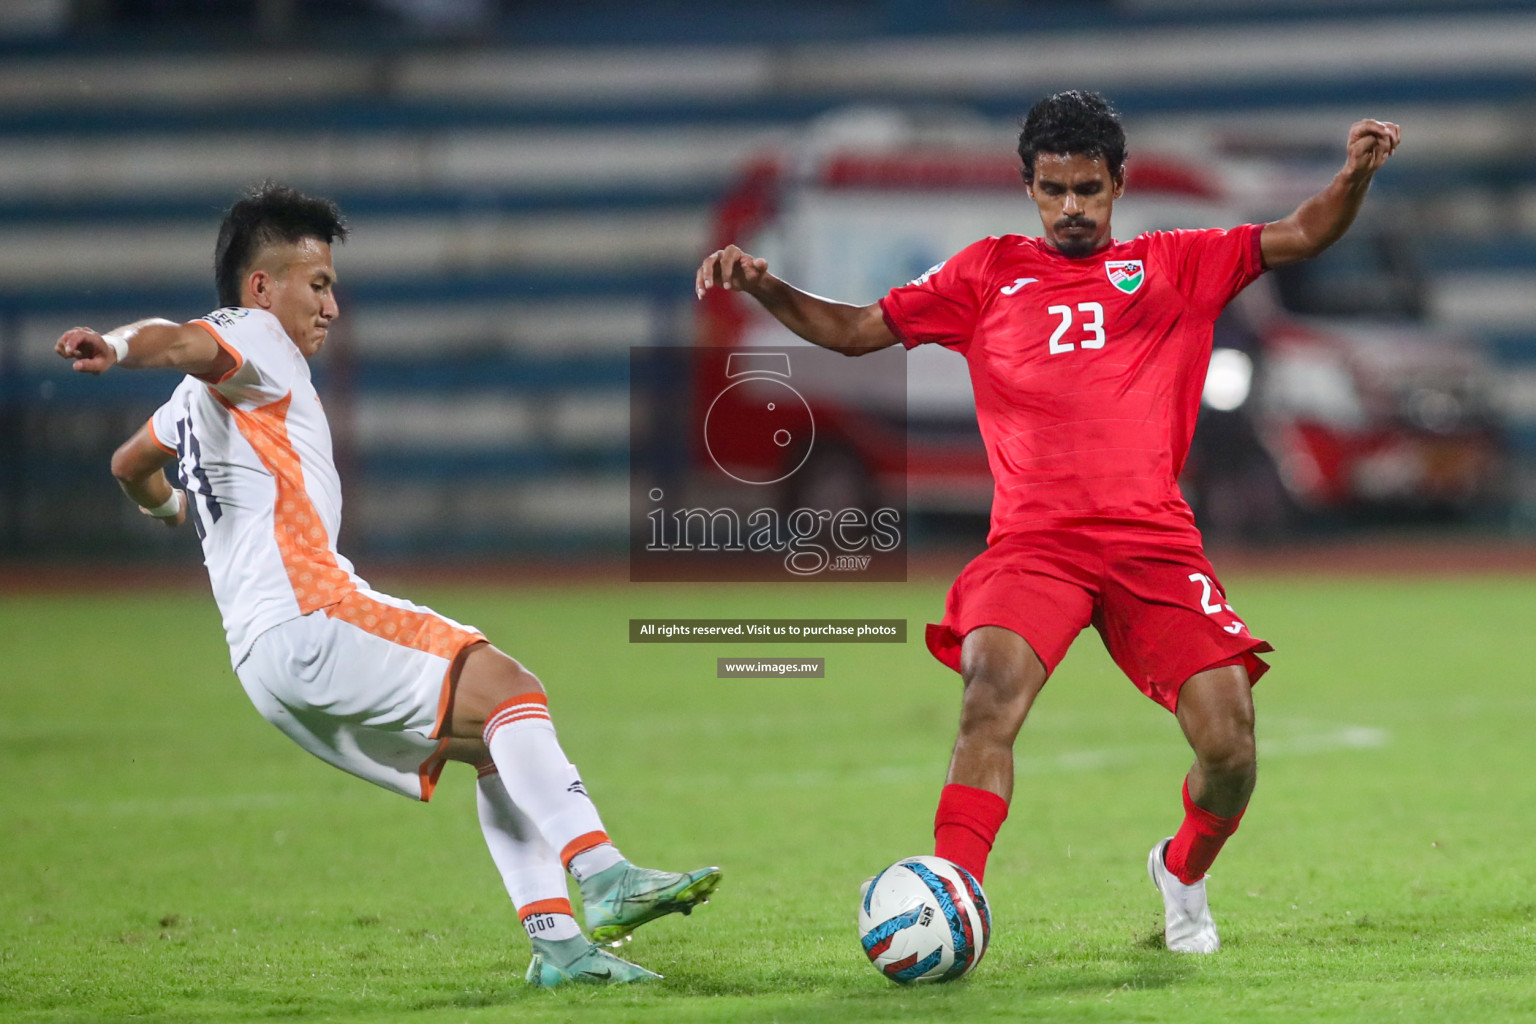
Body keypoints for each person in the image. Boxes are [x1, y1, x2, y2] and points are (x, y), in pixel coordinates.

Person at [697, 91, 1399, 955]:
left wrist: (1353, 176)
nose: (1071, 208)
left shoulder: (1178, 263)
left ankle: (1181, 868)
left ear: (1119, 185)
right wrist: (766, 283)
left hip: (1153, 544)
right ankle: (950, 901)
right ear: (1029, 186)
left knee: (1231, 743)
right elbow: (852, 332)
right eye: (1054, 190)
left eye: (1088, 190)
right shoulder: (985, 273)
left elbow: (1301, 232)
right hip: (1036, 546)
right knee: (988, 694)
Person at [57, 182, 720, 987]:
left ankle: (559, 947)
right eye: (320, 283)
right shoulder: (253, 335)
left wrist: (167, 511)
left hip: (262, 665)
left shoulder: (195, 403)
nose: (332, 305)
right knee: (511, 689)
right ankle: (605, 874)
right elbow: (175, 338)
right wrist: (117, 348)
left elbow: (130, 463)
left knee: (492, 747)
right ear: (262, 287)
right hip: (311, 614)